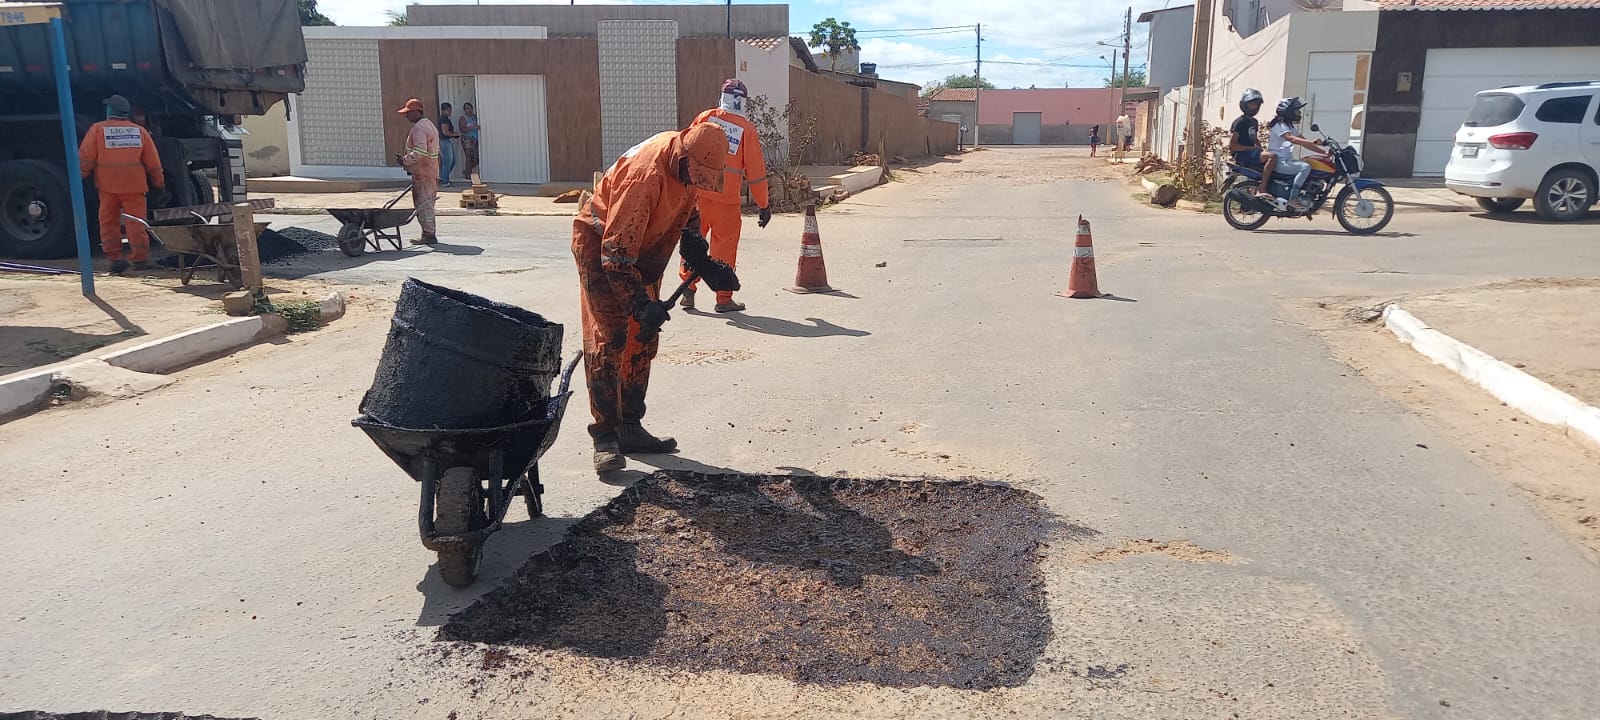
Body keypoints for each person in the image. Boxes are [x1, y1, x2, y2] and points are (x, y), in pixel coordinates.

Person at [573, 123, 736, 473]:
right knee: (612, 337)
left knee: (643, 337)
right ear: (684, 159)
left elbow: (687, 216)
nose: (700, 181)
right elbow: (615, 256)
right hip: (601, 247)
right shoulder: (644, 177)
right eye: (699, 174)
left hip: (642, 248)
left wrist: (703, 261)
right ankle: (605, 436)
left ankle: (630, 425)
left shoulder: (687, 168)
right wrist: (640, 303)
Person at [678, 78, 771, 313]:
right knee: (725, 249)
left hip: (698, 195)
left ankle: (687, 292)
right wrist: (763, 204)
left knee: (693, 243)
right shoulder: (746, 129)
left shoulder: (705, 117)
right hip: (726, 201)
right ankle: (723, 299)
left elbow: (684, 147)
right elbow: (756, 171)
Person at [79, 94, 166, 276]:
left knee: (108, 222)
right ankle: (140, 259)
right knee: (136, 223)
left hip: (108, 187)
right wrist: (159, 184)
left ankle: (115, 259)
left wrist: (79, 177)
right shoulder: (139, 131)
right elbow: (153, 162)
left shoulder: (97, 130)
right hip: (134, 186)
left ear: (110, 110)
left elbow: (85, 157)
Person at [1267, 97, 1324, 212]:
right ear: (1288, 112)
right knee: (1305, 167)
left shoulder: (1290, 126)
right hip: (1279, 162)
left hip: (1286, 160)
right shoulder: (1279, 125)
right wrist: (1311, 141)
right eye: (1296, 110)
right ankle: (1293, 199)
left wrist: (1325, 152)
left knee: (1310, 163)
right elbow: (1290, 138)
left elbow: (1305, 143)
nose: (1299, 113)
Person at [397, 98, 440, 244]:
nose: (406, 116)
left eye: (408, 113)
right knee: (428, 202)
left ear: (417, 112)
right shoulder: (429, 125)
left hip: (423, 171)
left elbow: (419, 152)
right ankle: (429, 232)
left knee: (423, 203)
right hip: (430, 170)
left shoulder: (419, 129)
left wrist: (405, 160)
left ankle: (428, 235)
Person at [1228, 88, 1278, 202]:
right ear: (1244, 105)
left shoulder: (1254, 122)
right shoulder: (1239, 123)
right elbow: (1232, 146)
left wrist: (1260, 149)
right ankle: (1262, 189)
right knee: (1272, 157)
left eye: (1256, 104)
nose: (1254, 106)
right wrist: (1252, 148)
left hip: (1251, 153)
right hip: (1241, 154)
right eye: (1252, 104)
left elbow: (1254, 139)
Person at [437, 102, 459, 187]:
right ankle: (445, 181)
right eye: (449, 110)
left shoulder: (445, 119)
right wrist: (455, 134)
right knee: (447, 161)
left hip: (446, 141)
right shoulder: (444, 119)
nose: (450, 112)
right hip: (444, 141)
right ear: (443, 110)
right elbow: (445, 132)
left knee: (452, 161)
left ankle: (443, 177)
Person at [459, 102, 481, 178]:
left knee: (477, 158)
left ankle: (467, 171)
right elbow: (462, 129)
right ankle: (468, 175)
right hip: (467, 139)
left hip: (475, 139)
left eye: (470, 108)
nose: (469, 110)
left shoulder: (475, 117)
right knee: (469, 157)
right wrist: (472, 127)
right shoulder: (463, 118)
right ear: (464, 110)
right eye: (467, 108)